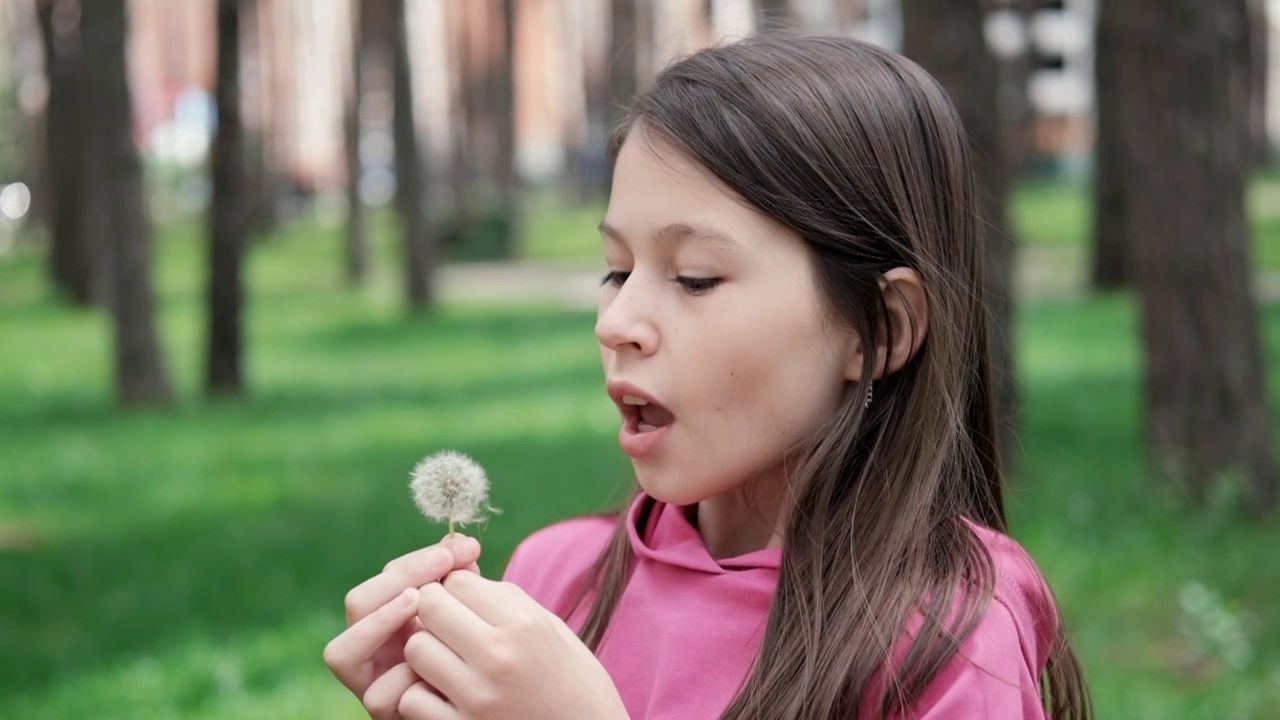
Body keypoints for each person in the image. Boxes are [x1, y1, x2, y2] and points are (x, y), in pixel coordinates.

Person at [324, 34, 1093, 720]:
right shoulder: (555, 578)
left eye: (694, 278)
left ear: (882, 328)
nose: (616, 322)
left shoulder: (951, 627)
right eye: (616, 270)